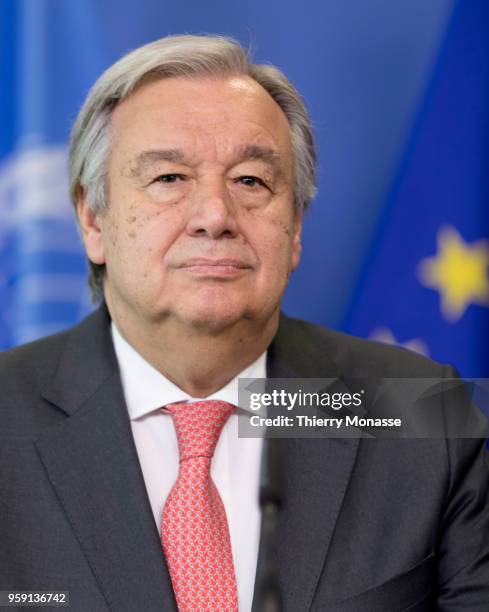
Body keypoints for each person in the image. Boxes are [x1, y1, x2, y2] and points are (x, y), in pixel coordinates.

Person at [1, 34, 488, 612]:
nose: (214, 216)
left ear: (296, 225)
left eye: (251, 181)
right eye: (169, 179)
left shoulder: (427, 407)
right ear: (92, 219)